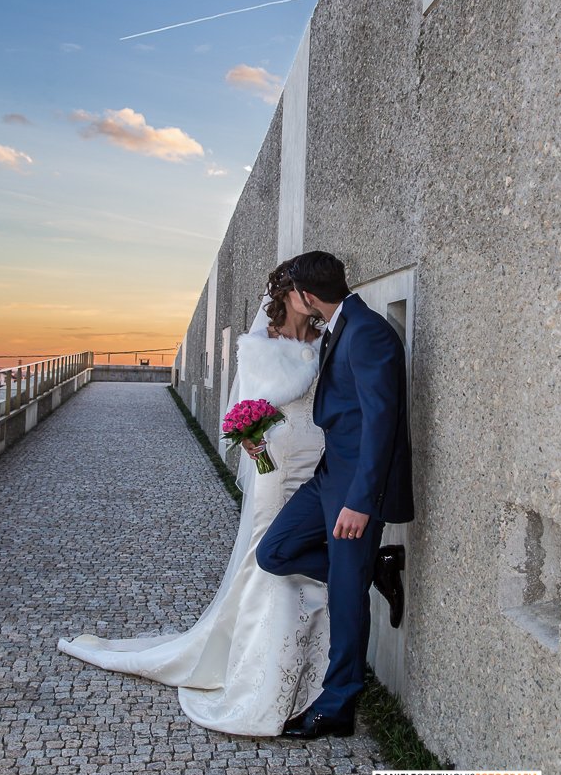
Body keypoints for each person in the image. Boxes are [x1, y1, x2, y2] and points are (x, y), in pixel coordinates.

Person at [57, 259, 332, 736]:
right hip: (278, 467)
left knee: (308, 552)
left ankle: (313, 663)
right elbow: (252, 402)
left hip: (319, 462)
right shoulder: (262, 345)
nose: (310, 301)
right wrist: (252, 433)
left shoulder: (327, 338)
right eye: (303, 293)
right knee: (268, 557)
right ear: (288, 295)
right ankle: (263, 673)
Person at [256, 250, 414, 739]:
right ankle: (375, 569)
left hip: (353, 489)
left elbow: (381, 424)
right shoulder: (341, 324)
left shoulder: (367, 332)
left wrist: (362, 502)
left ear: (306, 294)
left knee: (346, 598)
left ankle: (338, 705)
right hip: (329, 475)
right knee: (275, 551)